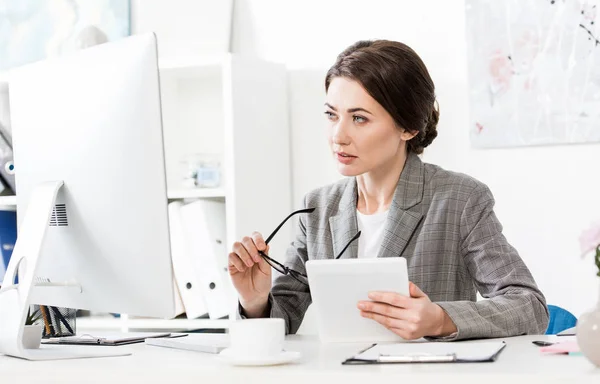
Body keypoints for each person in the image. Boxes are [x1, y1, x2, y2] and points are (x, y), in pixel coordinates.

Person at [227, 40, 549, 341]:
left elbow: (529, 306)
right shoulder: (317, 209)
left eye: (359, 118)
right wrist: (255, 303)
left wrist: (440, 318)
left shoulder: (460, 199)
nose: (338, 136)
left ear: (408, 127)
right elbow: (283, 318)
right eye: (331, 115)